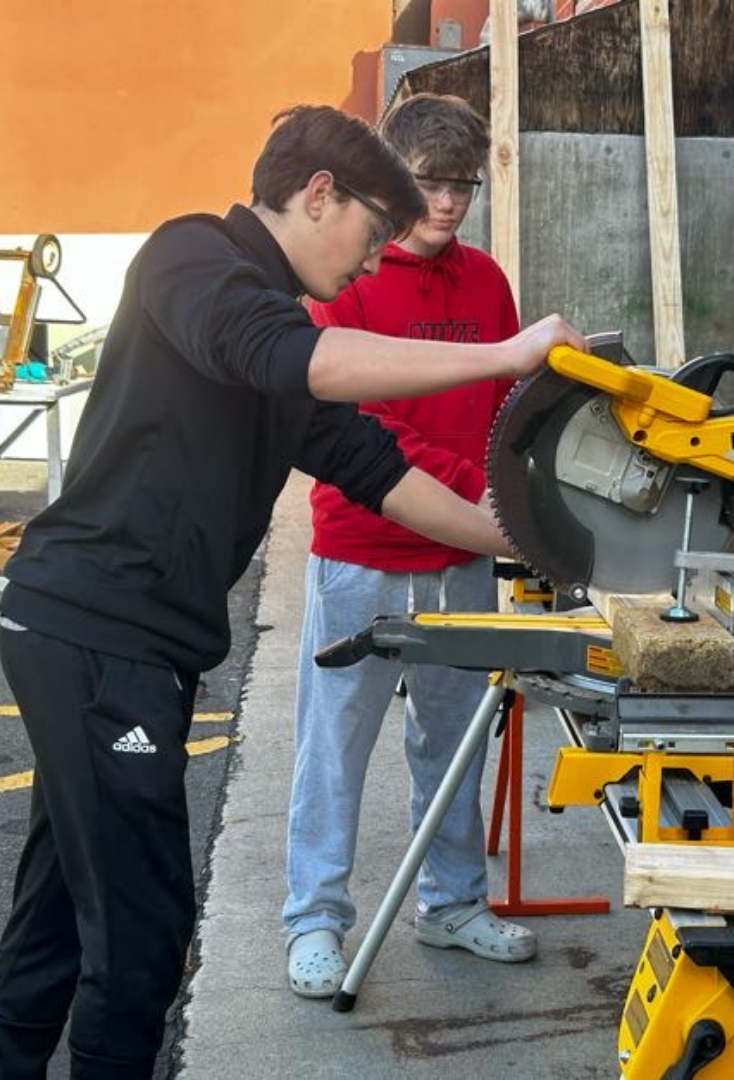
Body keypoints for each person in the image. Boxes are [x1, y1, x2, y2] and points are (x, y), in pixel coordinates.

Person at [0, 105, 584, 1077]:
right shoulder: (192, 259)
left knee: (60, 917)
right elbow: (290, 358)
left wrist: (540, 541)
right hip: (93, 628)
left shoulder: (280, 336)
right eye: (368, 235)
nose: (368, 266)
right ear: (320, 194)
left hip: (139, 642)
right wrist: (502, 353)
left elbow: (379, 466)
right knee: (144, 938)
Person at [282, 94, 533, 1000]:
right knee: (332, 745)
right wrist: (477, 503)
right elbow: (366, 431)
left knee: (454, 742)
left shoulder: (489, 283)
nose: (450, 201)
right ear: (391, 178)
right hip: (361, 553)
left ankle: (453, 903)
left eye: (463, 183)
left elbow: (507, 414)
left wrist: (519, 500)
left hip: (462, 556)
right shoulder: (347, 278)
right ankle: (314, 919)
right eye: (431, 181)